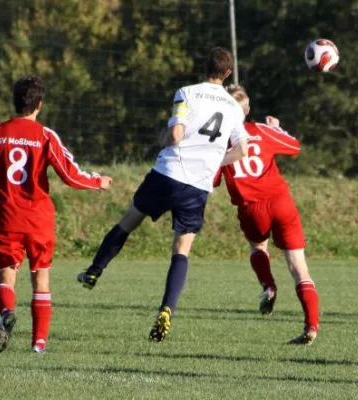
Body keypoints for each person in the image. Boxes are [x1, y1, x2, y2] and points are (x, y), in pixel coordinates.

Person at [76, 47, 249, 342]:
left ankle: (94, 271)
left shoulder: (187, 92)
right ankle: (167, 308)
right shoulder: (234, 107)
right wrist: (213, 161)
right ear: (228, 73)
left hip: (168, 173)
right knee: (181, 249)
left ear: (203, 67)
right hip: (198, 184)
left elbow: (176, 134)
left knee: (129, 220)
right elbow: (242, 149)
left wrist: (161, 138)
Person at [0, 76, 112, 354]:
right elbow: (70, 174)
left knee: (5, 279)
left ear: (15, 102)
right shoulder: (46, 135)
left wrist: (2, 189)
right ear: (39, 104)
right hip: (38, 219)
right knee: (41, 278)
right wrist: (99, 181)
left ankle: (7, 313)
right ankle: (39, 344)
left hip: (4, 217)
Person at [213, 84, 320, 345]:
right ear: (247, 110)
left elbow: (213, 179)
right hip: (281, 202)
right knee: (299, 269)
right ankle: (311, 327)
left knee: (258, 247)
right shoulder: (261, 130)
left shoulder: (218, 142)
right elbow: (294, 147)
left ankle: (268, 285)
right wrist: (276, 129)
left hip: (251, 208)